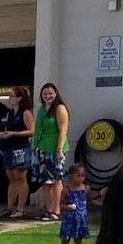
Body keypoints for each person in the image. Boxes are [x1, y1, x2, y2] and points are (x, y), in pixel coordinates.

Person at [31, 82, 70, 221]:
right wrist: (35, 147)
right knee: (45, 181)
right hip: (42, 148)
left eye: (51, 94)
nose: (48, 96)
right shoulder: (42, 109)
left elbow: (63, 130)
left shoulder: (60, 108)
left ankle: (57, 210)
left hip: (55, 149)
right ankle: (49, 210)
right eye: (45, 94)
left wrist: (59, 150)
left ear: (56, 94)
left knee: (56, 180)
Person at [0, 86, 34, 218]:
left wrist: (14, 133)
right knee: (11, 177)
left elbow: (31, 130)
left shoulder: (26, 113)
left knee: (20, 177)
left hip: (21, 147)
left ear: (19, 98)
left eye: (12, 96)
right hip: (9, 147)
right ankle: (10, 206)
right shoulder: (10, 113)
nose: (10, 99)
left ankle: (20, 208)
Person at [57, 164, 92, 244]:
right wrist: (68, 207)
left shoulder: (86, 189)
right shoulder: (66, 189)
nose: (81, 178)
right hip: (69, 219)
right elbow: (60, 205)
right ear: (71, 176)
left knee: (78, 241)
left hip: (81, 220)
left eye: (83, 176)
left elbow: (90, 202)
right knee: (65, 241)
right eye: (78, 175)